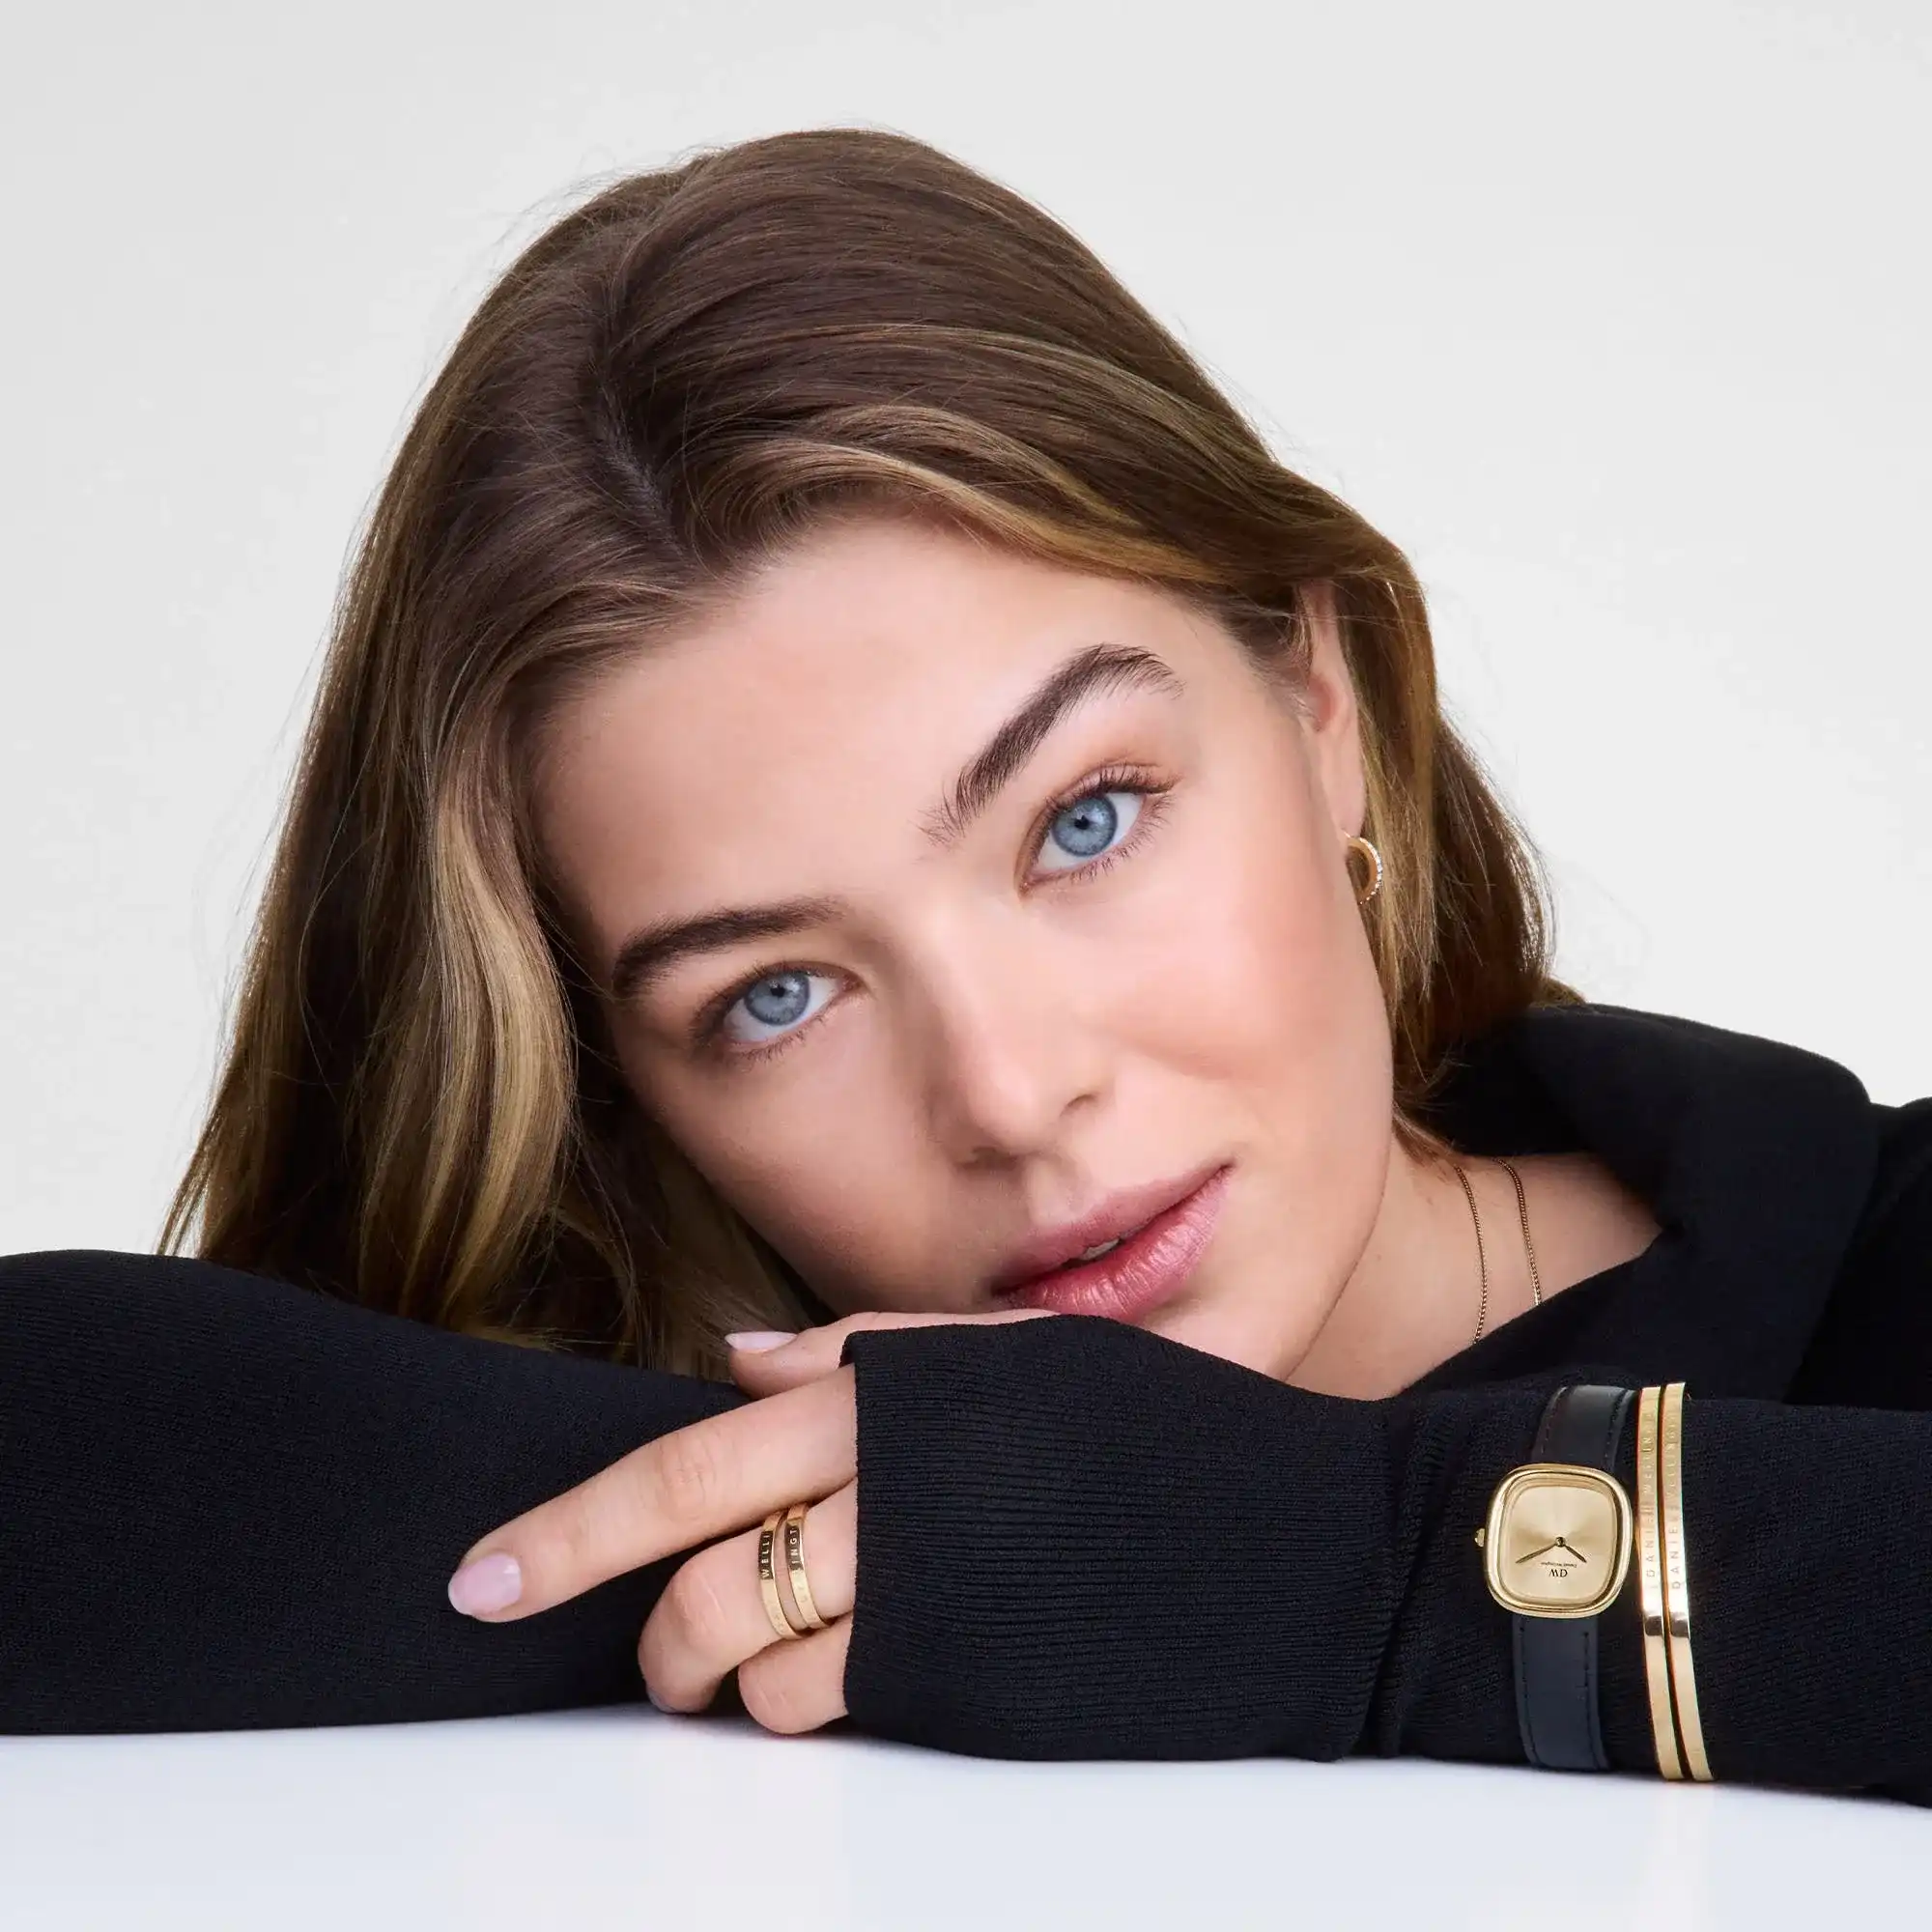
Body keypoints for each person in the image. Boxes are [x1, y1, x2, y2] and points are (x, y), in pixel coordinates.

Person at [3, 128, 1928, 1804]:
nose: (1008, 1094)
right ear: (620, 1095)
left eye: (1083, 821)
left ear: (1322, 702)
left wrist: (1358, 1561)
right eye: (772, 996)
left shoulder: (1880, 1270)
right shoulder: (764, 1525)